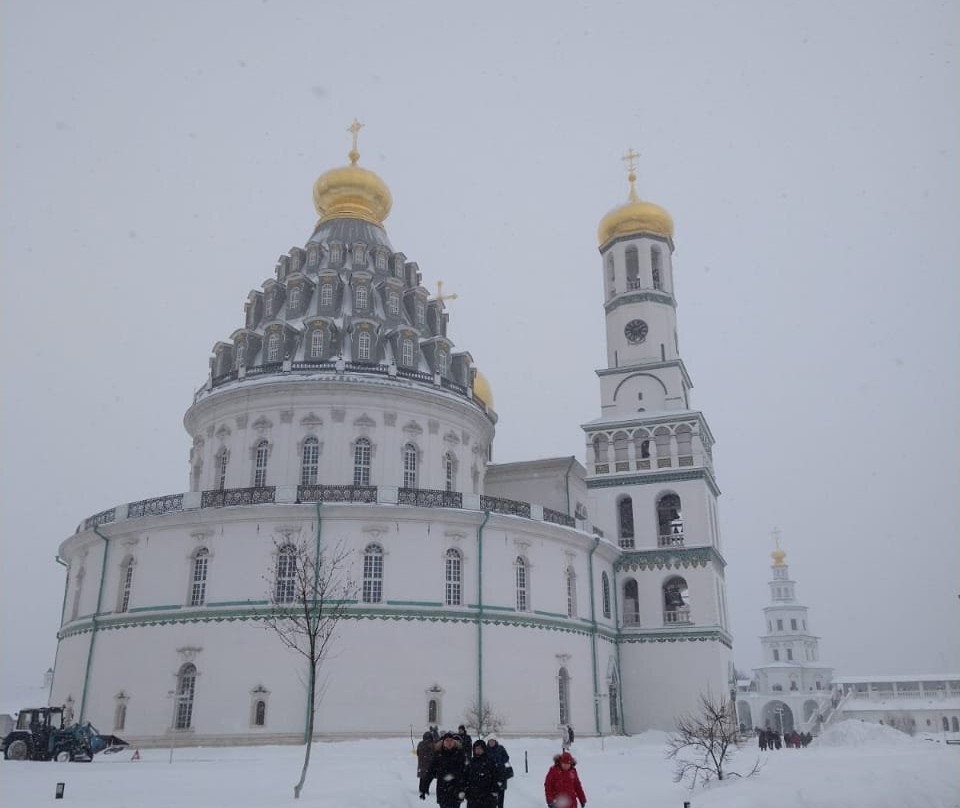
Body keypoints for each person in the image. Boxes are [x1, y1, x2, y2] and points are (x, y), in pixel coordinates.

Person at [422, 733, 466, 808]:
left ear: (454, 742)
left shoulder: (460, 754)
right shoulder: (438, 755)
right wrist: (424, 788)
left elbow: (465, 773)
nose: (449, 743)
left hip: (456, 789)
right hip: (442, 789)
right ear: (443, 742)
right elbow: (430, 772)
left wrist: (466, 788)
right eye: (447, 741)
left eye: (451, 741)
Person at [464, 739, 503, 808]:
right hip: (473, 798)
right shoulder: (471, 763)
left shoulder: (490, 762)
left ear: (484, 749)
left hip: (488, 799)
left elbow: (496, 777)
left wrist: (494, 790)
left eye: (480, 748)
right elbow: (465, 778)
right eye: (476, 748)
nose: (478, 750)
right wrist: (466, 791)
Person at [486, 736, 511, 808]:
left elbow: (506, 757)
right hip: (490, 776)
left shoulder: (500, 748)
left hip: (501, 775)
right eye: (490, 741)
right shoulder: (486, 749)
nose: (491, 742)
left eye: (493, 741)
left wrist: (499, 763)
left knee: (500, 795)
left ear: (495, 741)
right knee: (490, 796)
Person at [417, 731, 436, 796]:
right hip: (429, 765)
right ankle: (425, 790)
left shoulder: (420, 744)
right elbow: (434, 754)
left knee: (422, 778)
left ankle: (421, 789)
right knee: (428, 778)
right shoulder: (432, 744)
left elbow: (417, 753)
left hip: (421, 764)